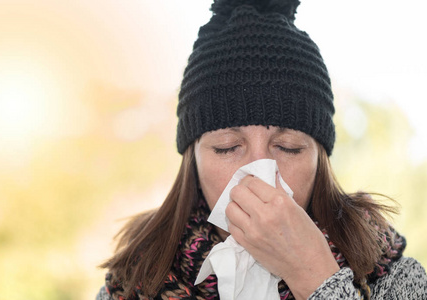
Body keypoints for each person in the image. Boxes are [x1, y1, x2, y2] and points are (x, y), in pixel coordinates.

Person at [96, 0, 427, 299]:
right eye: (227, 148)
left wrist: (315, 276)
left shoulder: (393, 278)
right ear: (193, 158)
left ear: (320, 159)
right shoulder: (133, 282)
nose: (260, 174)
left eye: (288, 147)